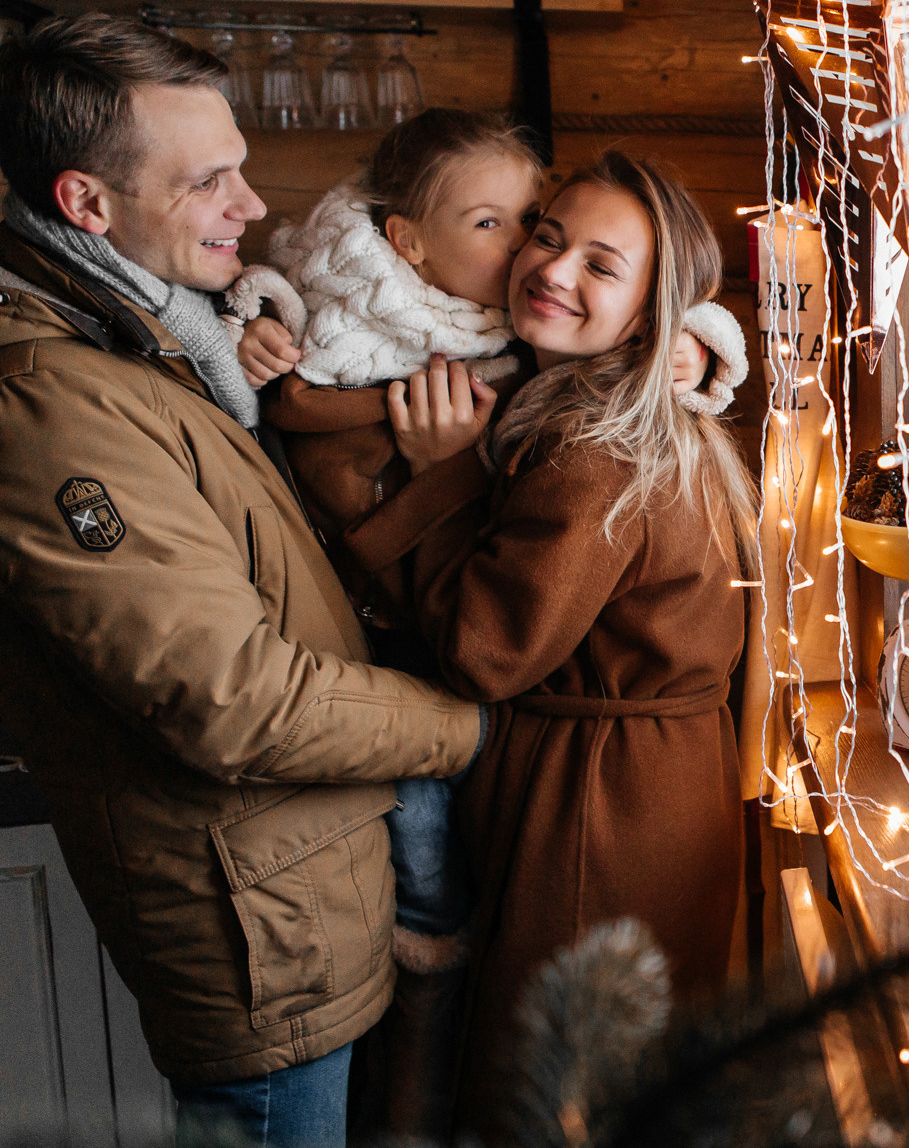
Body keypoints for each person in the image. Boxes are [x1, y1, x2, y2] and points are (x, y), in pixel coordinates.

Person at [0, 13, 485, 1148]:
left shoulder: (147, 332)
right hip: (255, 930)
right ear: (86, 206)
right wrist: (465, 730)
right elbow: (235, 700)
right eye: (212, 181)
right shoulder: (50, 403)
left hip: (298, 890)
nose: (253, 207)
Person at [218, 108, 746, 1136]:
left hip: (599, 804)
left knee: (548, 1093)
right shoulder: (602, 405)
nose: (549, 268)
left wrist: (435, 476)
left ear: (649, 313)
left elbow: (485, 650)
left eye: (602, 265)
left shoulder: (596, 450)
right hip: (643, 778)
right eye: (546, 235)